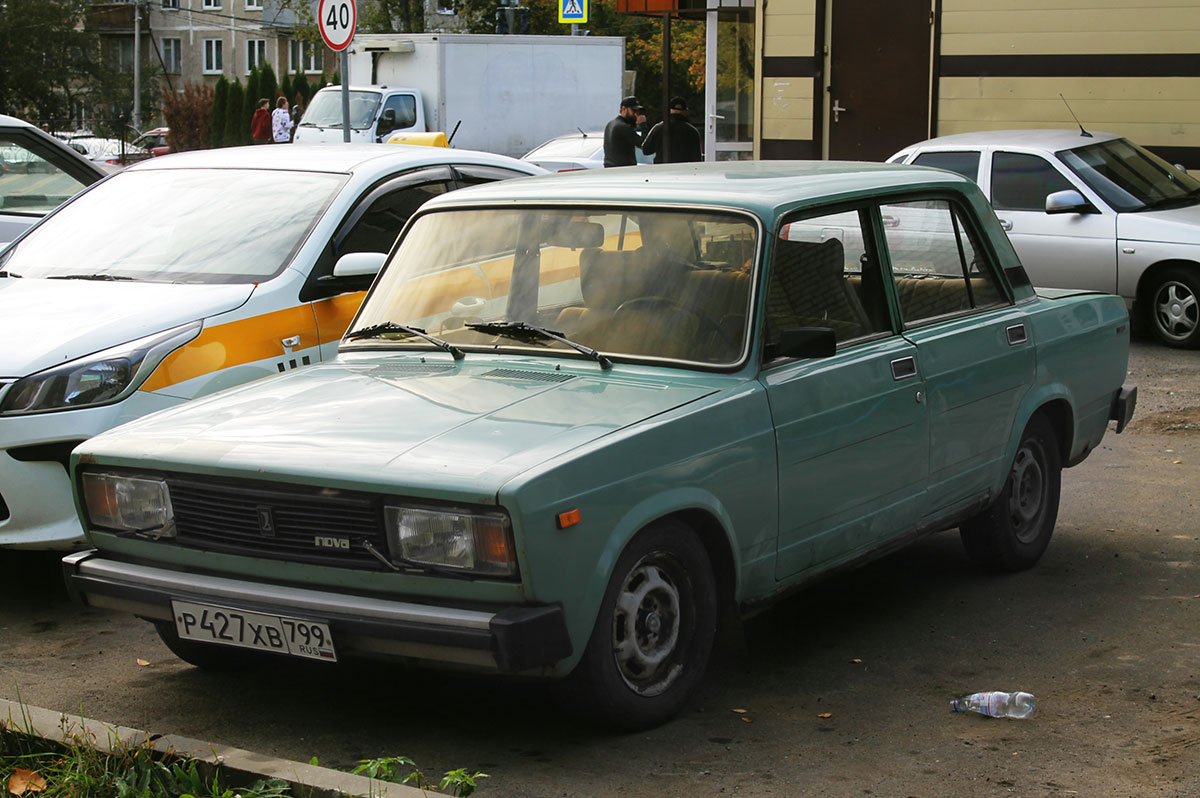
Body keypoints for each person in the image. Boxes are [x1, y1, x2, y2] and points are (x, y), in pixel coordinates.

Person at [641, 96, 702, 164]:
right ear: (686, 111)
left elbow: (646, 150)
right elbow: (697, 159)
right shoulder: (692, 132)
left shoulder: (659, 128)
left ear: (669, 110)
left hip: (661, 171)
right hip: (683, 171)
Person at [603, 96, 646, 167]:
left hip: (611, 168)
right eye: (633, 111)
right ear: (624, 109)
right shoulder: (624, 127)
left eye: (637, 111)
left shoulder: (610, 124)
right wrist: (643, 125)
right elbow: (643, 144)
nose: (636, 114)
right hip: (623, 170)